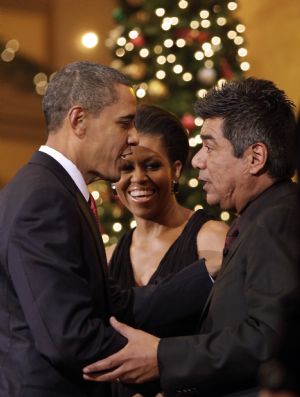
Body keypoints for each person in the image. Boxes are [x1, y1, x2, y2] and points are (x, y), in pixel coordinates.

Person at [0, 61, 214, 397]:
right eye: (125, 122)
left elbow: (111, 304)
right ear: (79, 120)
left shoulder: (58, 191)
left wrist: (208, 275)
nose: (132, 137)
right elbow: (68, 337)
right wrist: (164, 365)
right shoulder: (43, 198)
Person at [82, 77, 300, 397]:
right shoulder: (263, 217)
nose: (198, 160)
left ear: (255, 157)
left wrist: (161, 357)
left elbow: (269, 338)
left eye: (209, 146)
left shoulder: (277, 219)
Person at [108, 104, 228, 396]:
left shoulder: (212, 239)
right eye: (126, 167)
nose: (137, 178)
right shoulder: (109, 256)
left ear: (175, 170)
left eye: (151, 165)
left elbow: (235, 343)